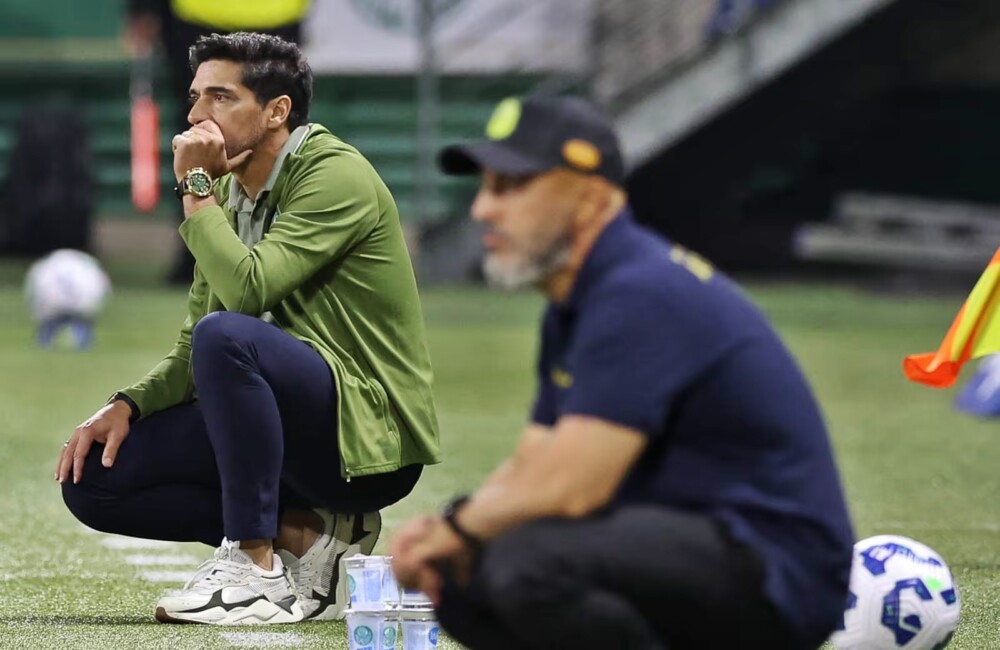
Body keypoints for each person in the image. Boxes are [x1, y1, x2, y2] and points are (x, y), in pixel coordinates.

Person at [389, 95, 855, 649]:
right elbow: (535, 463)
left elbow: (572, 487)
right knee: (464, 581)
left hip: (776, 567)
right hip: (686, 546)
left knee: (526, 564)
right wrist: (453, 533)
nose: (484, 210)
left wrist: (457, 529)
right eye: (486, 187)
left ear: (589, 199)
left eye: (512, 186)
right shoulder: (578, 300)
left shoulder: (640, 291)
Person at [58, 32, 440, 626]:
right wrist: (128, 404)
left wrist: (195, 190)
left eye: (220, 97)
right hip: (293, 423)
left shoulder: (335, 174)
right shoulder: (233, 191)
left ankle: (254, 570)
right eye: (194, 98)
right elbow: (195, 342)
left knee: (228, 337)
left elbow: (247, 293)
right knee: (96, 479)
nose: (194, 117)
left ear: (276, 111)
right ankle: (313, 539)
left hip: (367, 438)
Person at [124, 0, 313, 284]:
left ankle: (223, 255)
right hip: (210, 16)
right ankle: (207, 254)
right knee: (210, 136)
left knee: (217, 136)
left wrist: (142, 9)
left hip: (243, 15)